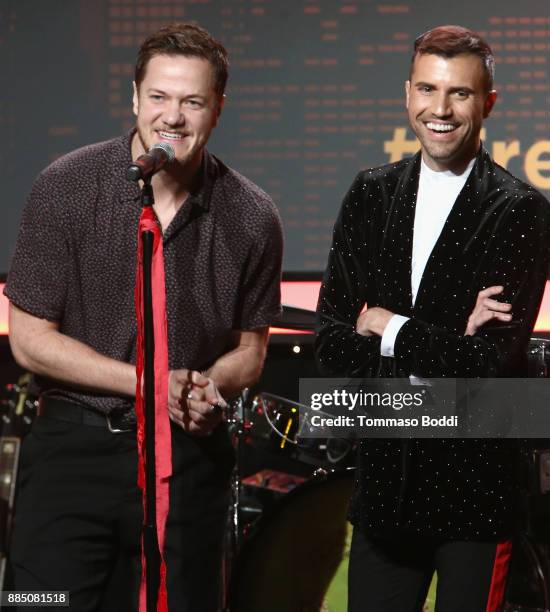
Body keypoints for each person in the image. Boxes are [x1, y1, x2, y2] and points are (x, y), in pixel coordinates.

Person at [5, 22, 283, 612]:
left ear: (218, 109)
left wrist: (210, 385)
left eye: (192, 101)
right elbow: (29, 341)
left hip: (187, 463)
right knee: (40, 603)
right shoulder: (66, 186)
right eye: (158, 97)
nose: (172, 117)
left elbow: (251, 348)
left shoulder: (253, 215)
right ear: (134, 97)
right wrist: (152, 386)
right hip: (72, 458)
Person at [315, 25, 550, 612]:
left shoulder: (521, 210)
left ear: (488, 102)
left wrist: (388, 327)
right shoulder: (370, 194)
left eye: (460, 94)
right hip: (385, 490)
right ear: (407, 95)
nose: (439, 110)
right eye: (427, 89)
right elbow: (332, 344)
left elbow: (491, 365)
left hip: (476, 493)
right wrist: (448, 346)